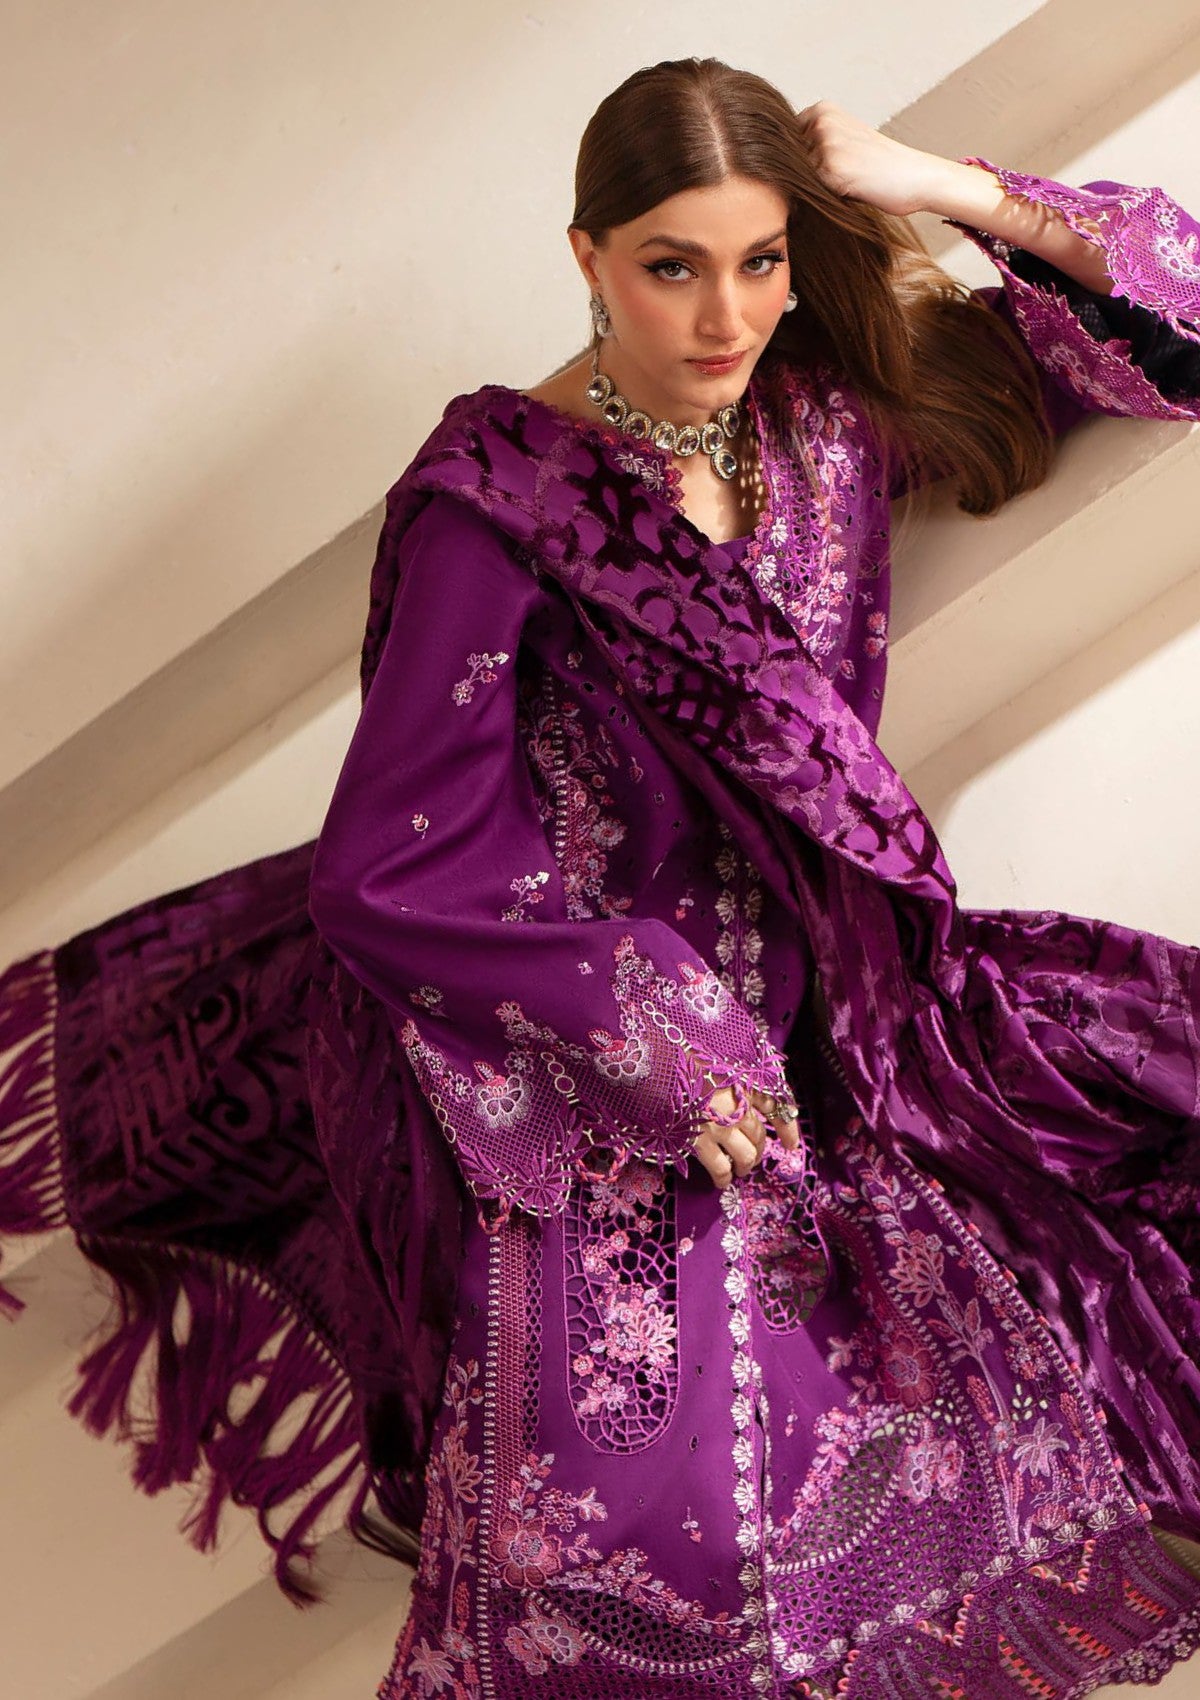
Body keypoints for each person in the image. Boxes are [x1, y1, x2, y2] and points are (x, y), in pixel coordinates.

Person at [3, 54, 1200, 1700]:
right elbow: (393, 855)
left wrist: (939, 187)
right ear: (586, 254)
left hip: (870, 994)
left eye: (761, 260)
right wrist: (652, 1033)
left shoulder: (832, 417)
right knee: (650, 1519)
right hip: (617, 1043)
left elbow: (1179, 319)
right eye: (671, 266)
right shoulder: (497, 501)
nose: (724, 315)